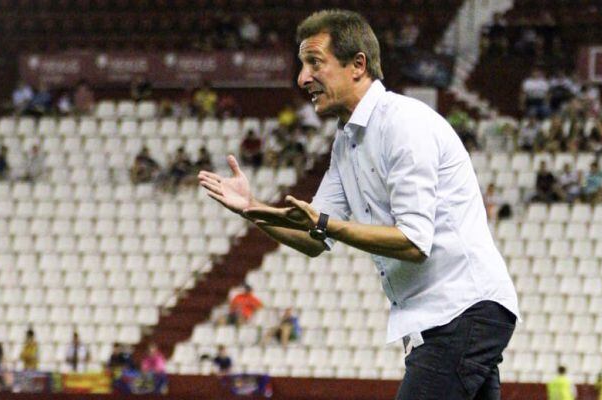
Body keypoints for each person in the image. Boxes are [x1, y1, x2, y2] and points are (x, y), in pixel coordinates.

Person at [198, 10, 518, 400]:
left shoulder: (403, 124)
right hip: (450, 316)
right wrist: (251, 209)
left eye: (315, 62)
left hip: (462, 309)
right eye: (302, 65)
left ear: (358, 65)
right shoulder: (346, 143)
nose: (302, 78)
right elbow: (314, 236)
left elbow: (413, 242)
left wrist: (328, 225)